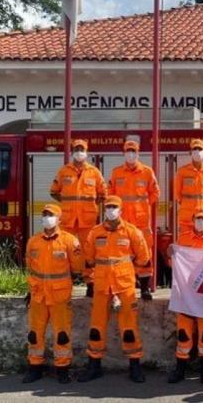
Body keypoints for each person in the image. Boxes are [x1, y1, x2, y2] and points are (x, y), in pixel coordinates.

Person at [77, 196, 151, 383]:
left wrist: (143, 286)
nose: (110, 210)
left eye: (114, 207)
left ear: (121, 210)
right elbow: (89, 260)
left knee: (129, 328)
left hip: (124, 285)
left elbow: (144, 258)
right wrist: (90, 283)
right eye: (108, 206)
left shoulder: (131, 232)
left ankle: (135, 365)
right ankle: (94, 365)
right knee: (96, 327)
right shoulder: (95, 233)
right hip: (102, 286)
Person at [22, 204, 80, 384]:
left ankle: (62, 369)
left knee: (62, 333)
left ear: (59, 218)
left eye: (51, 215)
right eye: (44, 215)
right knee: (34, 333)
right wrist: (30, 291)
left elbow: (77, 267)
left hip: (59, 296)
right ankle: (35, 367)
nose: (47, 218)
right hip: (38, 294)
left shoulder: (70, 241)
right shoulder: (33, 241)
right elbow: (30, 266)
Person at [167, 210, 203, 384]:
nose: (200, 221)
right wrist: (170, 255)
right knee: (183, 332)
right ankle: (180, 369)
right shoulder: (183, 239)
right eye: (198, 218)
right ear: (192, 220)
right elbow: (174, 263)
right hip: (186, 291)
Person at [50, 139, 106, 297]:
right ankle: (64, 282)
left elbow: (103, 194)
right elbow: (54, 191)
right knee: (63, 250)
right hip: (68, 219)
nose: (79, 151)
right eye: (76, 149)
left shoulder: (94, 172)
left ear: (87, 151)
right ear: (72, 151)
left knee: (88, 252)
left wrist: (90, 206)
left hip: (87, 220)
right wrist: (68, 204)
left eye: (82, 149)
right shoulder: (64, 171)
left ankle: (90, 283)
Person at [109, 140, 161, 301]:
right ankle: (123, 289)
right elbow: (110, 194)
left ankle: (145, 288)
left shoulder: (146, 172)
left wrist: (143, 206)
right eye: (128, 151)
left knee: (144, 255)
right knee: (121, 255)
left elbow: (155, 193)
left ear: (138, 153)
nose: (130, 154)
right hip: (122, 223)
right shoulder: (116, 173)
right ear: (124, 153)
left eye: (133, 151)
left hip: (141, 223)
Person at [173, 139, 203, 235]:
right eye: (195, 149)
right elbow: (177, 193)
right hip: (187, 216)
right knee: (186, 244)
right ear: (190, 152)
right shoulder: (182, 171)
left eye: (200, 149)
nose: (197, 151)